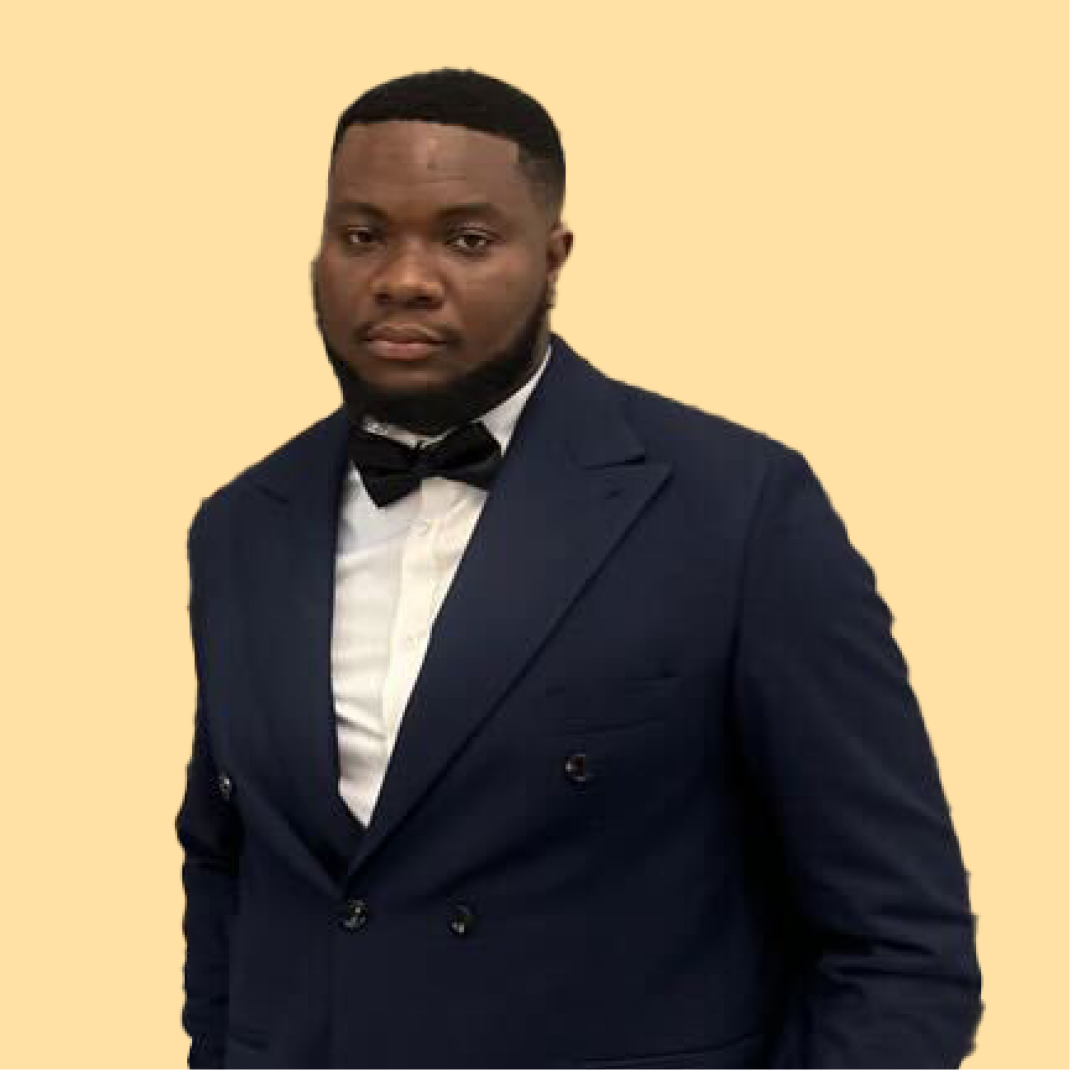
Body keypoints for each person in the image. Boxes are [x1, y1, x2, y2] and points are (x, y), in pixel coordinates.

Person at [176, 67, 983, 1070]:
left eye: (468, 239)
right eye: (362, 234)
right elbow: (227, 869)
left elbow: (898, 945)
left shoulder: (737, 510)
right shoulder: (239, 526)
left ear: (553, 258)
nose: (403, 277)